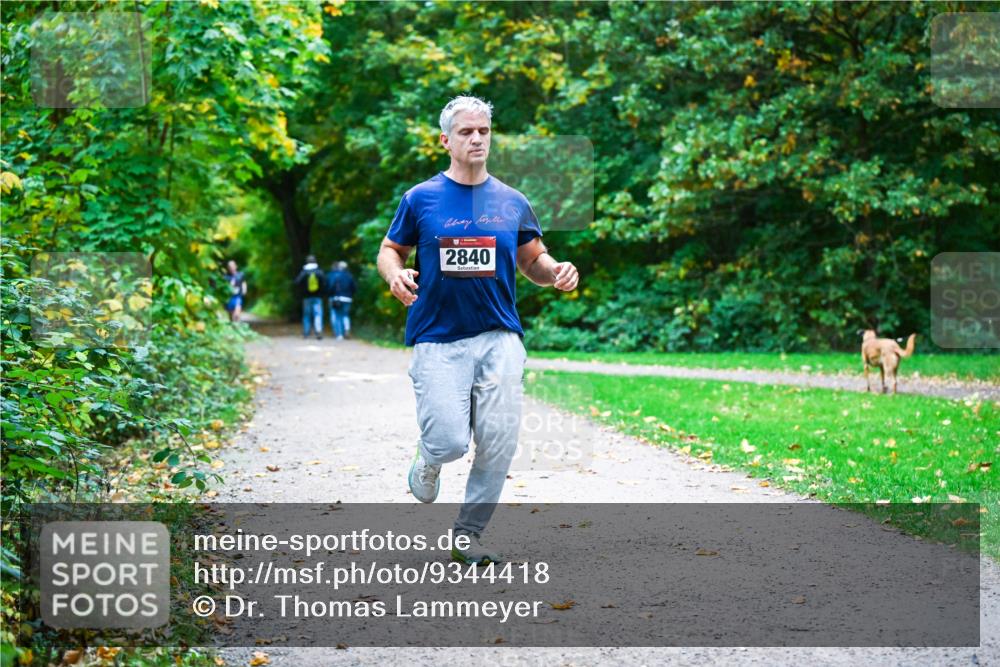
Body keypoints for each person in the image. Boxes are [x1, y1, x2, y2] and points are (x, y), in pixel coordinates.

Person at [376, 95, 579, 565]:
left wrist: (557, 271)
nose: (477, 139)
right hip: (438, 336)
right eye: (466, 132)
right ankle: (429, 459)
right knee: (449, 441)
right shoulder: (420, 198)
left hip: (500, 335)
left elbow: (533, 260)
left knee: (499, 440)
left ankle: (467, 537)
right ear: (445, 140)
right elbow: (391, 249)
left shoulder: (512, 201)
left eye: (484, 131)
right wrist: (395, 275)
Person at [294, 255, 325, 339]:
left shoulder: (304, 272)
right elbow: (324, 283)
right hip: (317, 297)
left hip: (306, 297)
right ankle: (318, 330)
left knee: (307, 315)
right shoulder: (319, 271)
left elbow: (297, 282)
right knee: (318, 314)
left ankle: (306, 332)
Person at [326, 261, 356, 340]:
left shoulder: (336, 275)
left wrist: (331, 295)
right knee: (345, 315)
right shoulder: (350, 276)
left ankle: (339, 335)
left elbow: (331, 287)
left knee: (338, 316)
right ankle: (346, 329)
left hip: (337, 298)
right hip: (348, 299)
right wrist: (350, 295)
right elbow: (354, 288)